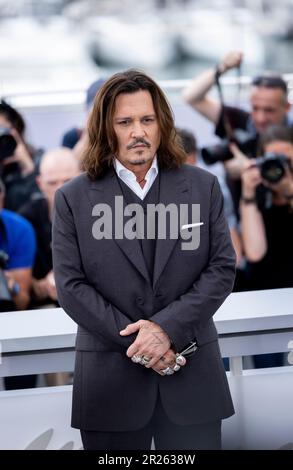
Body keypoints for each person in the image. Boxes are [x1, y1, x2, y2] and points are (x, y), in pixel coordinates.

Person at [52, 70, 236, 451]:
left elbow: (220, 269)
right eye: (125, 122)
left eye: (147, 120)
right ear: (106, 128)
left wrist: (164, 330)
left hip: (192, 380)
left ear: (161, 123)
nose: (138, 131)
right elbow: (71, 287)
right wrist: (144, 344)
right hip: (109, 388)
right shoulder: (72, 197)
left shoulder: (202, 187)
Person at [182, 51, 292, 212]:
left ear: (287, 107)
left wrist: (247, 169)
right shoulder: (240, 121)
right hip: (240, 214)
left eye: (269, 110)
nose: (260, 118)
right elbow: (192, 97)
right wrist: (222, 68)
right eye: (255, 108)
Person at [240, 125, 293, 368]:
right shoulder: (258, 196)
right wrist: (248, 194)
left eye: (287, 160)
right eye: (273, 161)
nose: (280, 168)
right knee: (267, 373)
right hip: (264, 304)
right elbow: (254, 252)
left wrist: (289, 191)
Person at [19, 147, 80, 307]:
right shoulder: (25, 220)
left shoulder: (100, 216)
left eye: (68, 181)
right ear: (40, 184)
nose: (61, 189)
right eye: (52, 183)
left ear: (82, 178)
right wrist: (41, 286)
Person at [0, 99, 42, 211]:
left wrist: (28, 167)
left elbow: (46, 206)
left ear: (16, 130)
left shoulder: (39, 160)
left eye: (2, 130)